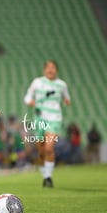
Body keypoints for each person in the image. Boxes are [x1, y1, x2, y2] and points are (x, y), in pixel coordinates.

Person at [24, 60, 70, 188]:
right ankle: (45, 174)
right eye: (48, 68)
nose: (51, 70)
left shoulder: (61, 84)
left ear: (56, 70)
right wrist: (31, 102)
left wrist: (66, 100)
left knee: (49, 148)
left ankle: (48, 177)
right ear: (44, 70)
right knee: (41, 150)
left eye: (53, 67)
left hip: (55, 118)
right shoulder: (37, 82)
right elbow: (27, 97)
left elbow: (67, 97)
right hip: (39, 119)